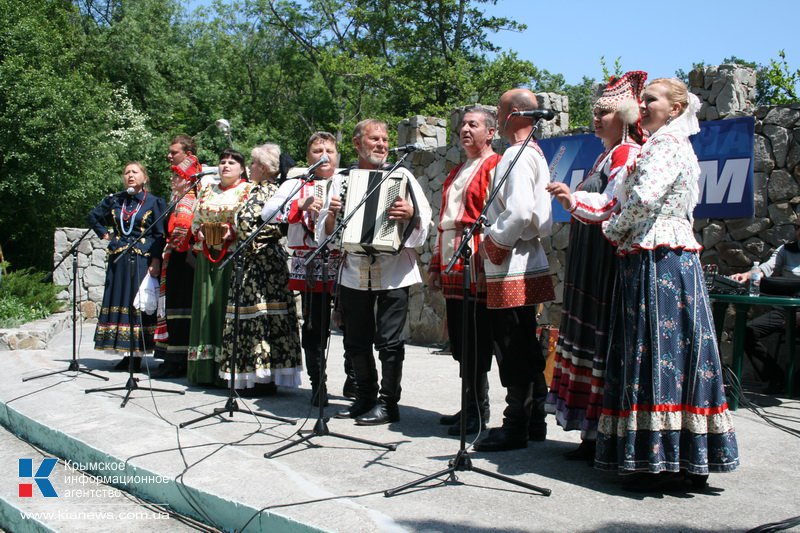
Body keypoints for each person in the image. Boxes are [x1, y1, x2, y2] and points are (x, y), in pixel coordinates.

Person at [552, 78, 739, 489]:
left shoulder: (666, 144)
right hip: (653, 255)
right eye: (643, 99)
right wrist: (581, 205)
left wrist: (615, 231)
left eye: (651, 100)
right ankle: (671, 458)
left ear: (675, 109)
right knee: (656, 352)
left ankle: (663, 460)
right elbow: (619, 199)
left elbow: (642, 200)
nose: (643, 105)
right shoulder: (657, 145)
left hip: (661, 257)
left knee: (658, 353)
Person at [544, 71, 647, 461]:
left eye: (605, 112)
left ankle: (602, 435)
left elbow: (613, 206)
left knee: (599, 342)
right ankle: (591, 432)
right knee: (587, 342)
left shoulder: (627, 154)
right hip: (590, 258)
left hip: (604, 262)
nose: (597, 118)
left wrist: (572, 200)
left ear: (626, 115)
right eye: (596, 111)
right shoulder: (606, 154)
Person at [318, 119, 432, 425]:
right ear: (357, 144)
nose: (382, 144)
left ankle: (388, 404)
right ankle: (364, 398)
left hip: (394, 271)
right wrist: (331, 216)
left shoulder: (401, 175)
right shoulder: (341, 180)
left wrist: (410, 214)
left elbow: (424, 222)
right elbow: (325, 235)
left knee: (390, 342)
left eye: (384, 139)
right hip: (354, 271)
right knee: (355, 340)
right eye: (374, 139)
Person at [474, 89, 555, 452]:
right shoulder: (534, 152)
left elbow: (520, 211)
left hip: (511, 261)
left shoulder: (516, 154)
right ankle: (534, 419)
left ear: (514, 113)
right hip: (527, 257)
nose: (497, 113)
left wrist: (493, 244)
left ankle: (515, 424)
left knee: (511, 343)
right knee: (524, 339)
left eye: (500, 108)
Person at [428, 106, 500, 435]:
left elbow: (494, 216)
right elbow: (444, 220)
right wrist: (435, 264)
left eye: (474, 125)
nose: (465, 130)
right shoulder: (457, 170)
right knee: (459, 337)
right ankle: (468, 402)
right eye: (463, 125)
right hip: (451, 257)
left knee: (475, 336)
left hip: (474, 258)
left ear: (491, 132)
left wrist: (488, 259)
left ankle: (478, 409)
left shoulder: (495, 166)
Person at [263, 132, 343, 406]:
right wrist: (300, 205)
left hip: (346, 264)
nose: (324, 155)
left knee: (353, 324)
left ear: (337, 155)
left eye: (329, 150)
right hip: (309, 265)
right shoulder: (295, 184)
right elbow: (267, 214)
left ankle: (355, 382)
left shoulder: (347, 181)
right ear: (308, 156)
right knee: (314, 328)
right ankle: (318, 384)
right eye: (318, 151)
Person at [218, 143, 302, 395]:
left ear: (264, 167)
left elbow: (277, 224)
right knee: (251, 318)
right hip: (250, 264)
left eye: (253, 163)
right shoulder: (255, 190)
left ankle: (265, 377)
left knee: (264, 318)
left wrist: (253, 239)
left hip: (265, 264)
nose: (250, 167)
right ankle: (254, 375)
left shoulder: (273, 192)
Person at [88, 162, 166, 370]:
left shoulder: (154, 202)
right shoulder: (116, 200)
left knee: (136, 303)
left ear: (144, 177)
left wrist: (155, 260)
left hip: (141, 260)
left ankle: (137, 354)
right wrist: (105, 235)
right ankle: (124, 352)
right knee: (120, 299)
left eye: (135, 172)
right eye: (126, 172)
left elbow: (160, 234)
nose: (130, 175)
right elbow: (93, 216)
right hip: (119, 260)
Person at [187, 149, 252, 386]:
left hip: (232, 257)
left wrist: (231, 231)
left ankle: (227, 370)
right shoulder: (207, 190)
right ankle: (204, 369)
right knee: (206, 308)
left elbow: (248, 221)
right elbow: (195, 219)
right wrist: (199, 231)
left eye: (232, 162)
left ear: (242, 169)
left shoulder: (247, 190)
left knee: (226, 307)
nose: (226, 165)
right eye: (223, 162)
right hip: (207, 257)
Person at [731, 226, 800, 392]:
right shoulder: (786, 249)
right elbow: (765, 268)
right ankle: (777, 377)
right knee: (745, 332)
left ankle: (795, 383)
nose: (799, 231)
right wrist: (747, 275)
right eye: (798, 227)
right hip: (784, 310)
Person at [153, 154, 202, 378]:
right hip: (178, 260)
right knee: (175, 308)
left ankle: (177, 360)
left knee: (179, 309)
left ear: (189, 179)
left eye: (178, 176)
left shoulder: (186, 201)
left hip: (182, 261)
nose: (173, 180)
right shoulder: (180, 199)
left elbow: (182, 230)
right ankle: (174, 358)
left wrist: (171, 246)